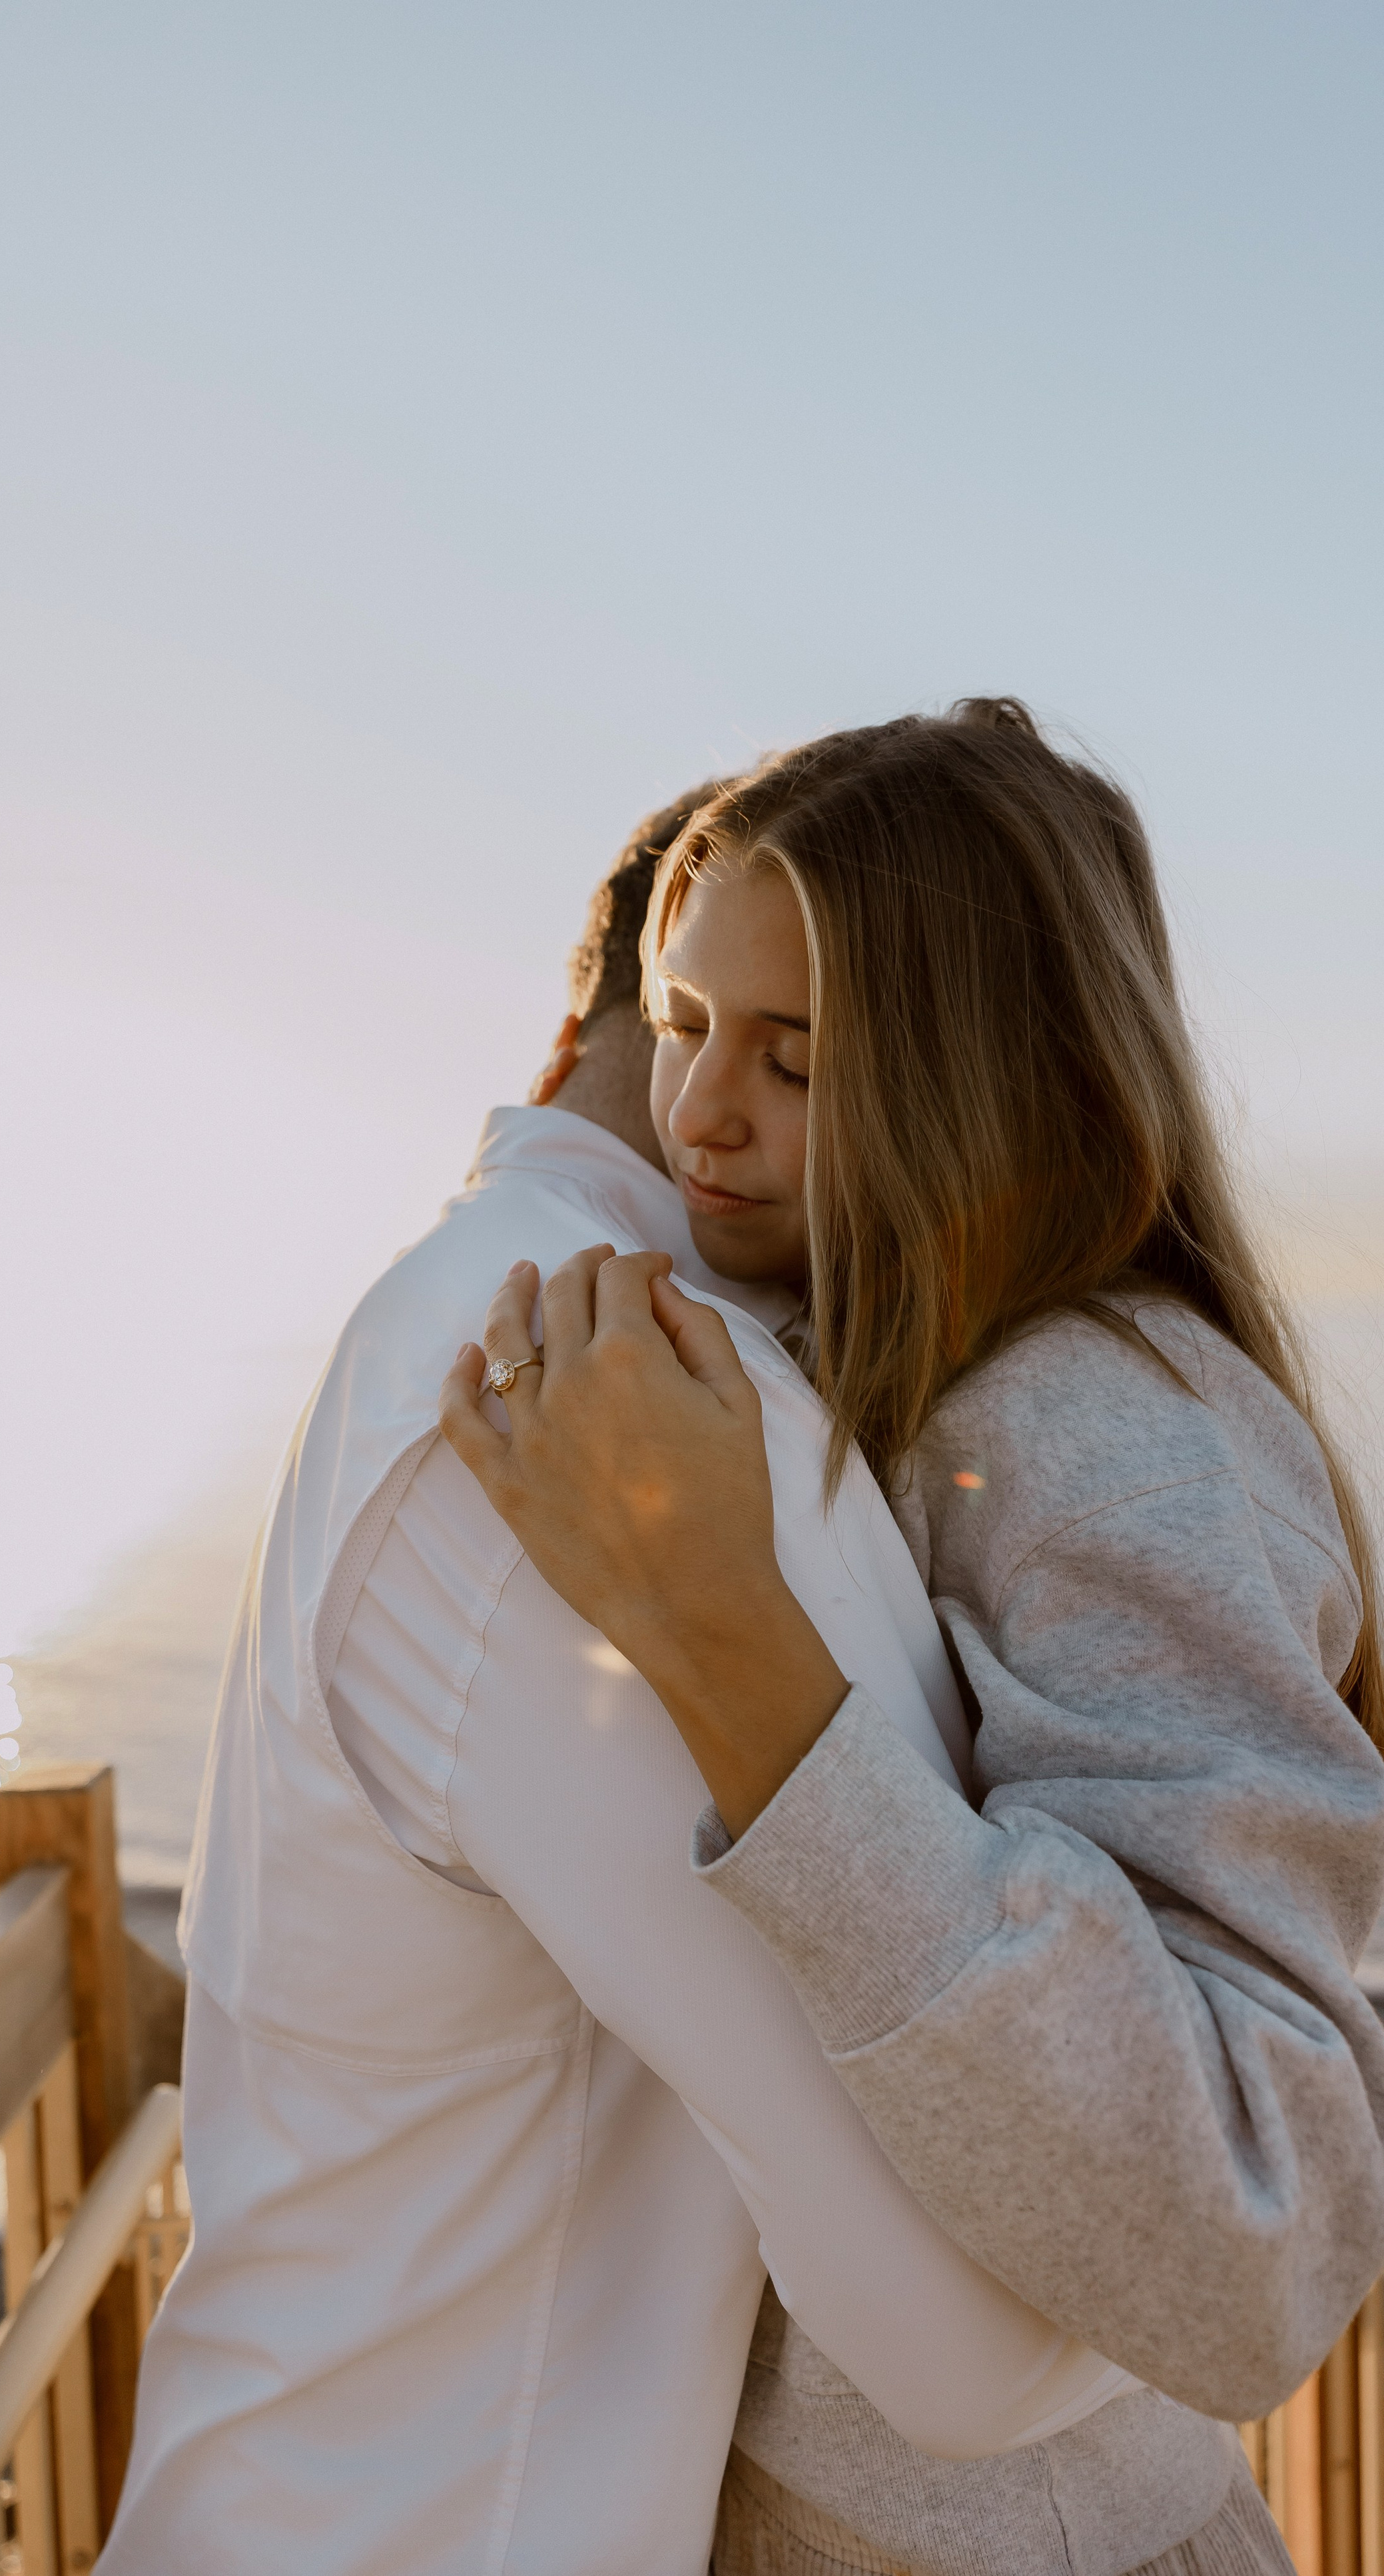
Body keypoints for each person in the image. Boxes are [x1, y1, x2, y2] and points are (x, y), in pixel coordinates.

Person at [95, 787, 1136, 2576]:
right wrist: (1236, 2132)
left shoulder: (426, 1314)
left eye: (799, 1054)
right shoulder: (622, 1386)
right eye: (719, 1030)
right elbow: (984, 2326)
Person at [442, 701, 1384, 2575]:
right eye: (688, 1022)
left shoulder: (1109, 1437)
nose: (697, 1113)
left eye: (794, 1059)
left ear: (991, 1083)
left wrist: (730, 1648)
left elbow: (1256, 2232)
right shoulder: (862, 1363)